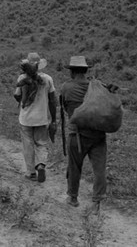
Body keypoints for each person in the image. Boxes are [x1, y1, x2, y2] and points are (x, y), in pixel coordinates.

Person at [60, 56, 107, 215]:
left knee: (74, 166)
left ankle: (73, 198)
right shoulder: (97, 86)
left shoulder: (67, 87)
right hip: (98, 134)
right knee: (99, 169)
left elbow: (66, 108)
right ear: (86, 71)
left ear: (72, 71)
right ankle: (97, 203)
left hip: (77, 134)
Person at [14, 52, 57, 183]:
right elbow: (52, 100)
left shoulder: (22, 78)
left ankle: (31, 173)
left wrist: (22, 96)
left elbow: (16, 95)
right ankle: (41, 165)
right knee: (41, 143)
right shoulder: (48, 79)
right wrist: (53, 119)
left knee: (28, 145)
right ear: (39, 65)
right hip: (41, 118)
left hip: (26, 119)